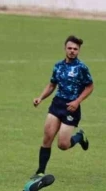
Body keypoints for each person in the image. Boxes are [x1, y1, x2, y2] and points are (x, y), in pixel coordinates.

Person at [32, 35, 94, 177]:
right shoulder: (58, 66)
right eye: (69, 48)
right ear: (65, 49)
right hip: (57, 105)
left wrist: (77, 101)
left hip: (71, 108)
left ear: (79, 51)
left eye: (75, 49)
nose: (72, 51)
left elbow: (90, 87)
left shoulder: (82, 68)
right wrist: (40, 98)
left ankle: (79, 137)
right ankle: (40, 172)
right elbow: (52, 85)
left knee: (63, 145)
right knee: (47, 138)